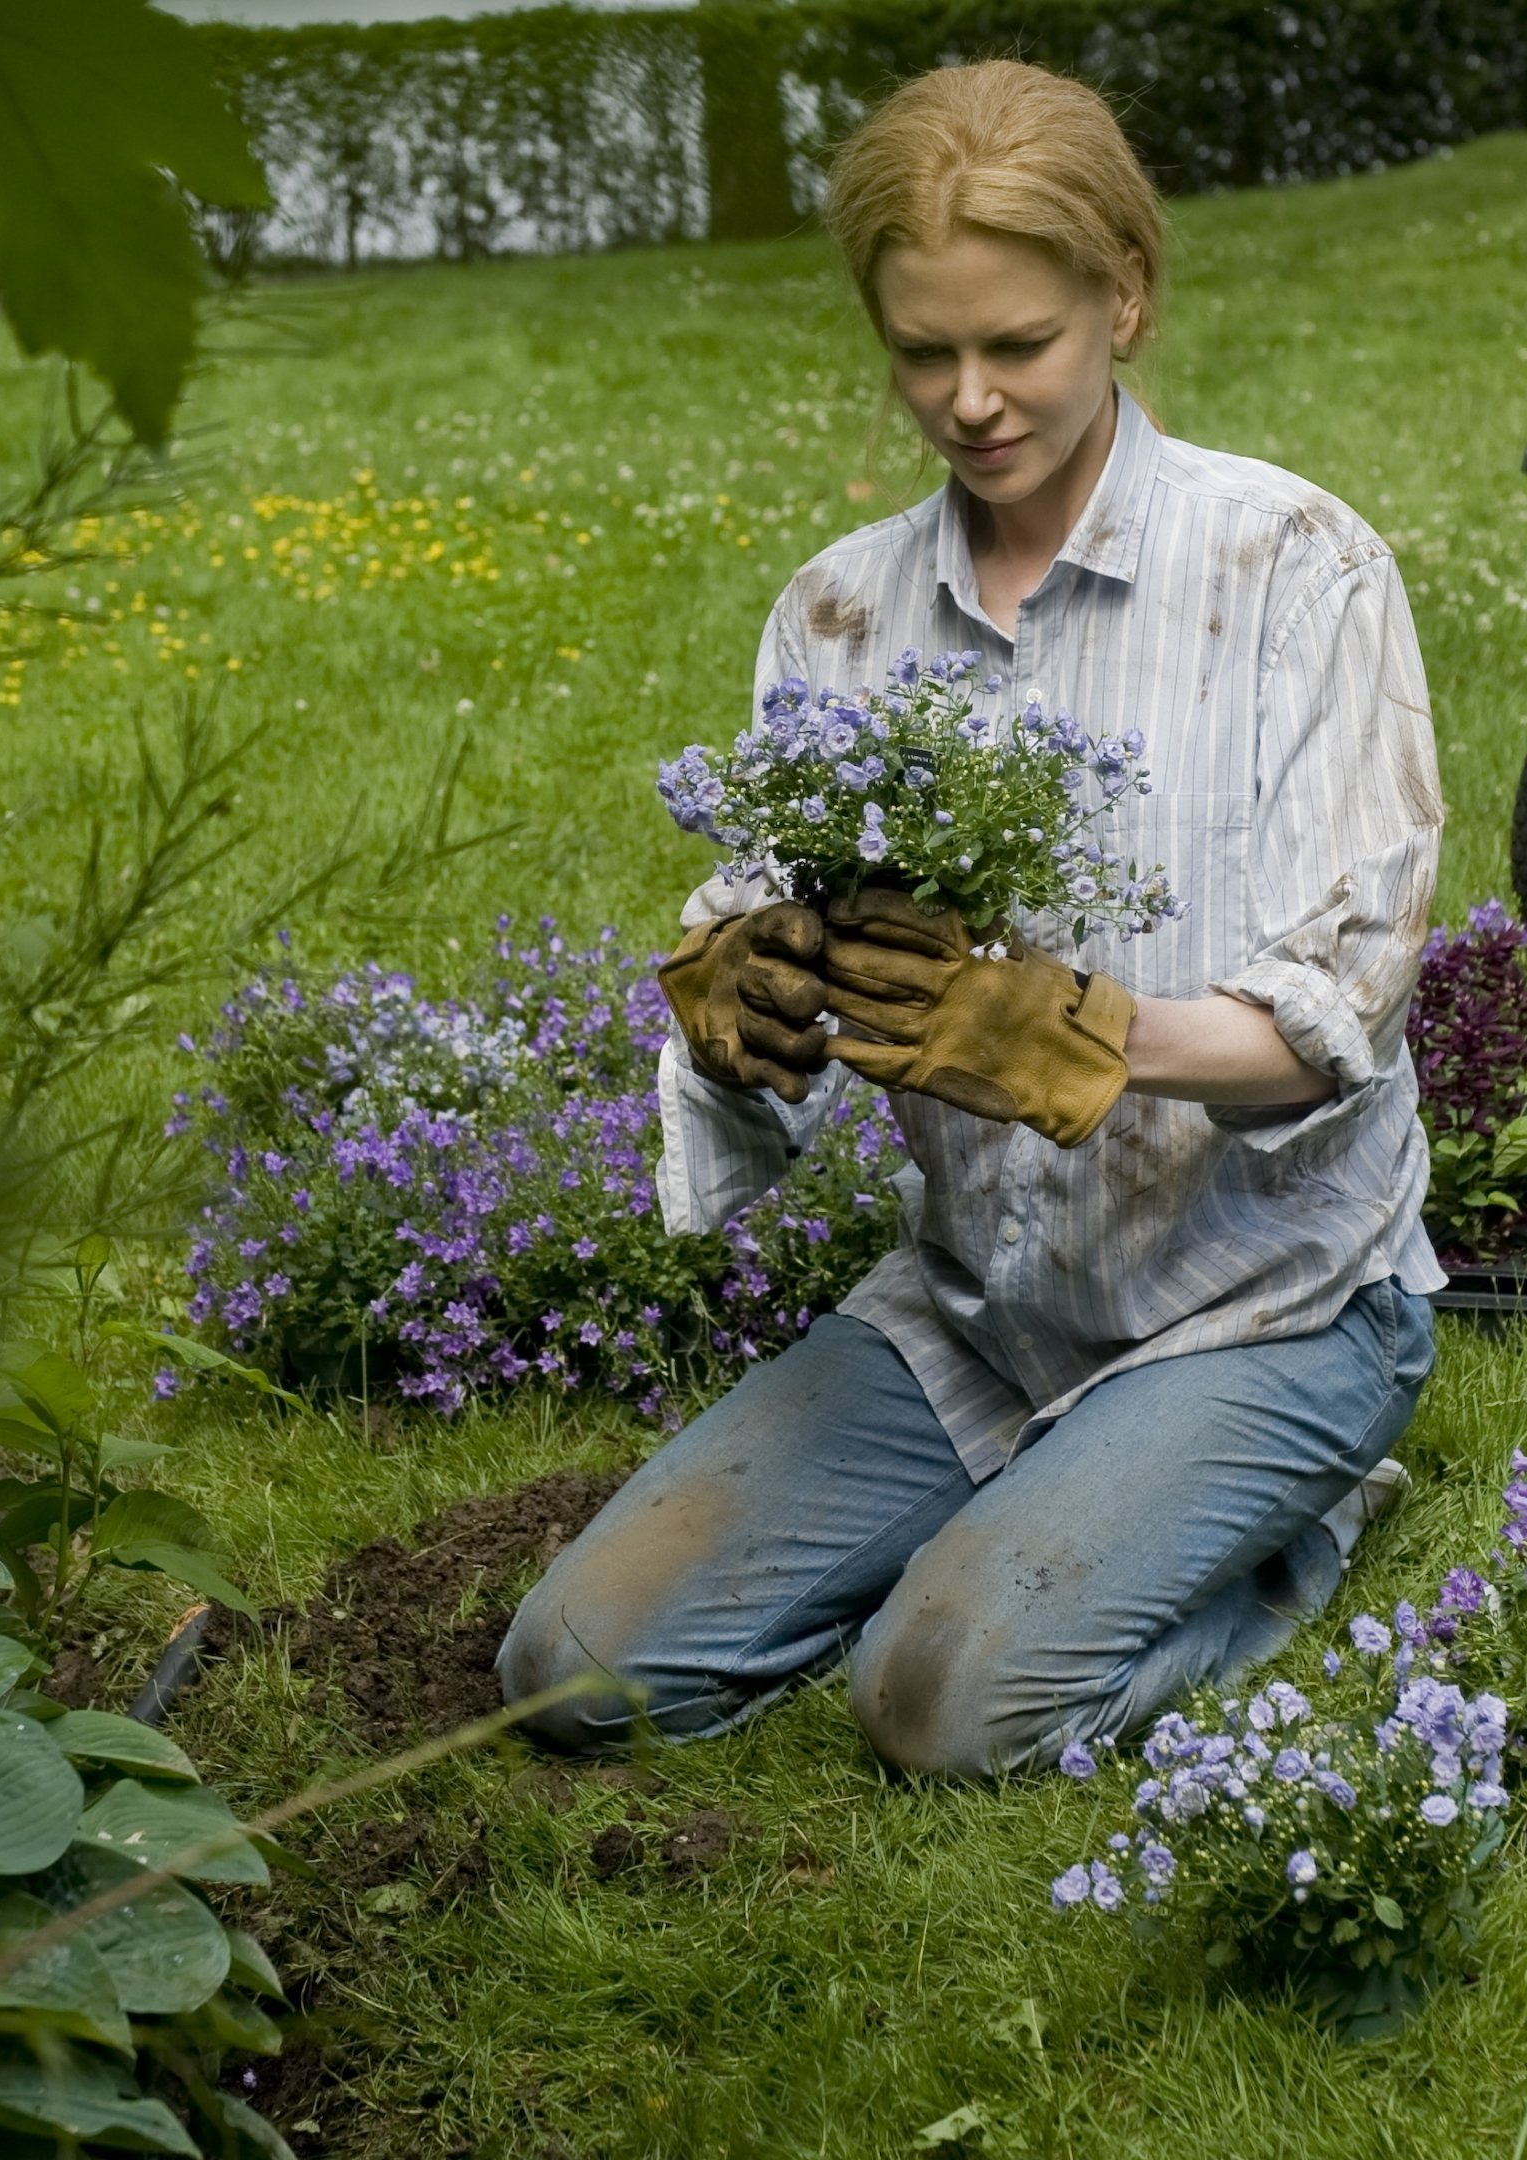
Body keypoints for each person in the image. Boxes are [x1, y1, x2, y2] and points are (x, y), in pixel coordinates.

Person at [496, 59, 1448, 1776]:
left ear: (1124, 299)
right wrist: (738, 1000)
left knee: (944, 1711)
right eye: (923, 352)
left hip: (1267, 1302)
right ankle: (1018, 1522)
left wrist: (1089, 1040)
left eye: (1019, 344)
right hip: (975, 1310)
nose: (971, 399)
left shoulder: (1297, 569)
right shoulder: (846, 615)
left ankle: (1287, 1513)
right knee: (576, 1669)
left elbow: (1351, 1006)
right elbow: (751, 916)